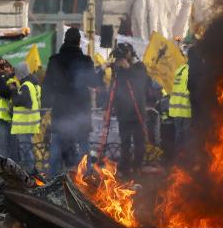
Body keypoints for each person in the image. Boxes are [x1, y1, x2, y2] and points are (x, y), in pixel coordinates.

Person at [42, 28, 102, 177]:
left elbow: (47, 85)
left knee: (56, 144)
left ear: (64, 41)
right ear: (79, 42)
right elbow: (94, 82)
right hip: (80, 110)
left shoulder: (54, 60)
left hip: (61, 110)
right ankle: (86, 177)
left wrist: (46, 103)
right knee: (83, 145)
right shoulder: (85, 61)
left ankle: (51, 178)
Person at [111, 42, 157, 176]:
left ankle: (137, 166)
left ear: (129, 54)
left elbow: (139, 82)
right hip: (123, 113)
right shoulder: (119, 70)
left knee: (139, 142)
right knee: (124, 142)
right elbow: (115, 87)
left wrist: (127, 68)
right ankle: (124, 167)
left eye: (122, 57)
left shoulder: (140, 67)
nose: (120, 61)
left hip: (137, 111)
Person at [9, 62, 42, 170]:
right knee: (27, 149)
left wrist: (14, 91)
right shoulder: (32, 84)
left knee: (26, 149)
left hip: (25, 125)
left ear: (20, 74)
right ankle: (31, 171)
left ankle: (30, 172)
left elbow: (26, 102)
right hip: (29, 123)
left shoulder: (26, 86)